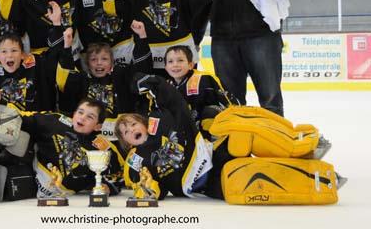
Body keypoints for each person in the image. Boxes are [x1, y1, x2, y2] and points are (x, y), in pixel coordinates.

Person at [115, 75, 343, 204]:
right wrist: (147, 188)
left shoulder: (161, 119)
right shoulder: (136, 160)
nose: (131, 128)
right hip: (204, 182)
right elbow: (154, 192)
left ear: (143, 122)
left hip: (210, 153)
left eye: (133, 123)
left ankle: (301, 147)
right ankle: (318, 179)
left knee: (238, 131)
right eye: (125, 131)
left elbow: (175, 103)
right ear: (126, 142)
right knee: (244, 178)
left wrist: (155, 83)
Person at [163, 45, 237, 139]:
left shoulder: (205, 78)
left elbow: (230, 104)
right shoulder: (165, 86)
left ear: (191, 64)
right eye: (170, 61)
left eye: (180, 60)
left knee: (210, 111)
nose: (175, 64)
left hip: (214, 129)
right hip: (186, 132)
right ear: (165, 67)